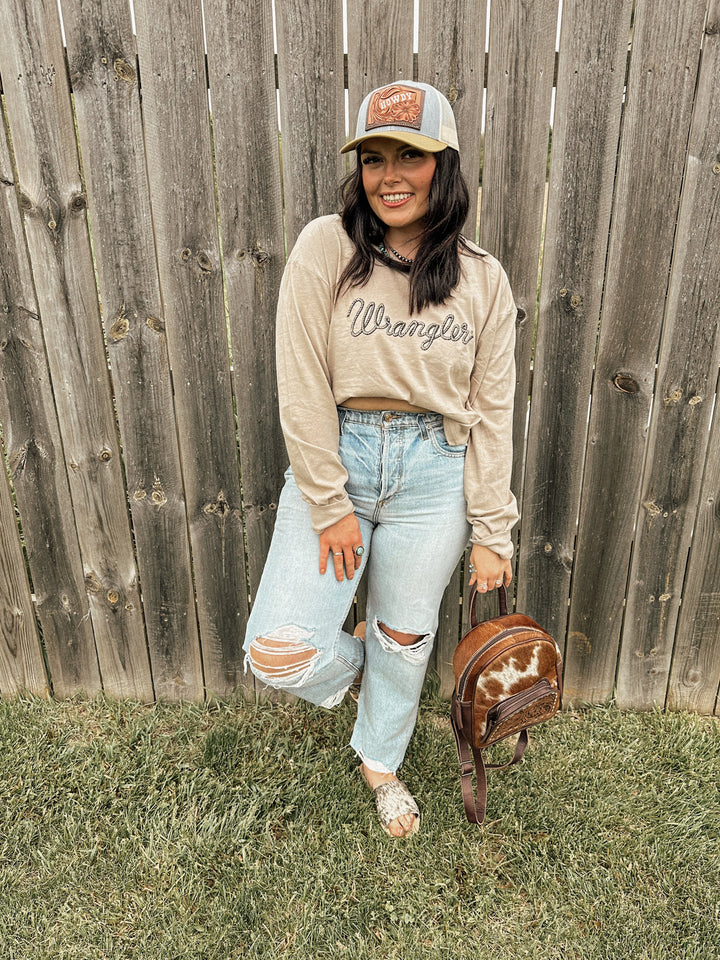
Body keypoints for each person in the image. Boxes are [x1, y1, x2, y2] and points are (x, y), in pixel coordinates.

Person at [243, 80, 518, 838]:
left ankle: (382, 765)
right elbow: (299, 379)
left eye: (411, 156)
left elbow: (493, 411)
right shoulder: (325, 246)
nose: (390, 175)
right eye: (373, 158)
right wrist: (329, 503)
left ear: (446, 166)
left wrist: (493, 528)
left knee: (408, 634)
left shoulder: (483, 279)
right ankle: (373, 668)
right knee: (282, 652)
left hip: (436, 475)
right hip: (340, 456)